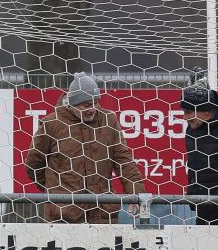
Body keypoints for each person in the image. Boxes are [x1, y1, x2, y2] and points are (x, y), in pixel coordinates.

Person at [25, 72, 143, 223]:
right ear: (72, 103)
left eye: (96, 102)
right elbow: (33, 165)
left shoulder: (108, 120)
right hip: (64, 217)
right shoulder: (51, 124)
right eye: (86, 105)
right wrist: (57, 193)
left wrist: (136, 195)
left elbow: (124, 161)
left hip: (102, 215)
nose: (92, 108)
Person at [179, 80, 218, 225]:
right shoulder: (192, 129)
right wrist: (193, 190)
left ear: (206, 113)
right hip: (203, 205)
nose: (184, 117)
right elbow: (195, 164)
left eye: (188, 112)